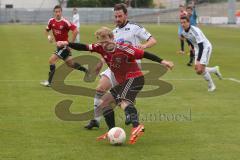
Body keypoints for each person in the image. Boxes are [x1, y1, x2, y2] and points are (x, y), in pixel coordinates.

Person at [57, 26, 174, 144]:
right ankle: (112, 131)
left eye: (105, 41)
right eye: (100, 42)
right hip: (124, 82)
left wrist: (163, 62)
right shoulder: (100, 47)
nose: (103, 44)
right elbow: (84, 47)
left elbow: (144, 54)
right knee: (105, 102)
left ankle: (136, 125)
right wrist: (67, 43)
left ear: (112, 38)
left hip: (135, 78)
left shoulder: (124, 48)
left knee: (123, 101)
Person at [84, 3, 157, 129]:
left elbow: (152, 40)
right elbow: (107, 50)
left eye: (120, 16)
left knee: (119, 99)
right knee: (100, 89)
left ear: (126, 15)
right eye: (116, 16)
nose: (117, 19)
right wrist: (100, 62)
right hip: (114, 67)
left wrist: (144, 46)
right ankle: (96, 120)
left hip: (130, 69)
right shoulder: (113, 32)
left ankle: (131, 118)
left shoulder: (135, 28)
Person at [40, 5, 87, 87]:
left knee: (51, 60)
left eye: (59, 12)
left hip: (64, 46)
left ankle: (50, 82)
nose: (57, 13)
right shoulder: (51, 21)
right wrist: (49, 37)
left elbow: (75, 31)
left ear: (61, 12)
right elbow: (46, 30)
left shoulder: (65, 22)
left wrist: (70, 44)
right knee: (71, 64)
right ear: (54, 13)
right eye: (56, 12)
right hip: (59, 46)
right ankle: (86, 71)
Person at [180, 16, 222, 92]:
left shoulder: (195, 30)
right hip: (197, 49)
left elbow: (201, 46)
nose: (183, 24)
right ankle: (214, 70)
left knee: (200, 69)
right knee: (198, 70)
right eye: (181, 23)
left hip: (205, 47)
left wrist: (198, 60)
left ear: (188, 22)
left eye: (184, 22)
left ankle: (211, 85)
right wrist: (191, 48)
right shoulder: (183, 32)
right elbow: (189, 40)